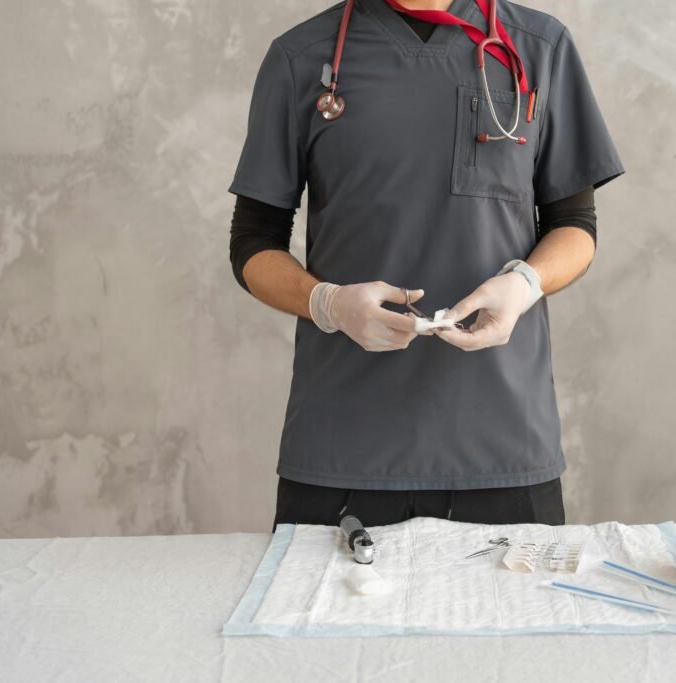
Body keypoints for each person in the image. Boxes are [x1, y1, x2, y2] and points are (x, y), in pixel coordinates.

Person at [227, 0, 625, 532]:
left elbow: (574, 224)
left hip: (503, 447)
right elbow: (253, 241)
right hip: (343, 447)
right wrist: (329, 303)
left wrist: (525, 284)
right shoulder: (302, 58)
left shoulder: (538, 48)